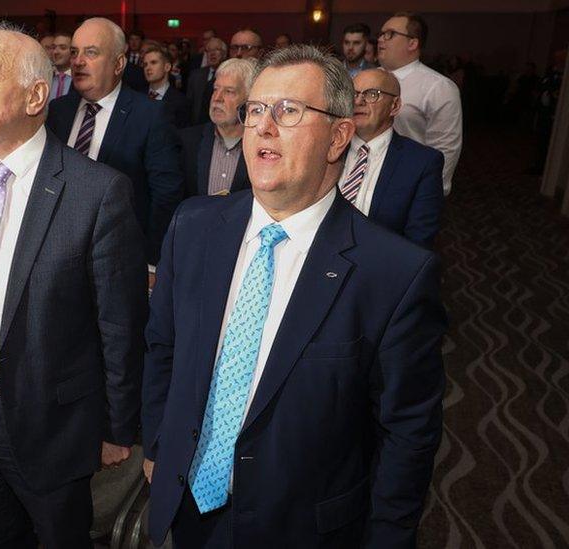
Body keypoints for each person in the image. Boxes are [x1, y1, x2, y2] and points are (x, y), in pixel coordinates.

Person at [142, 45, 446, 548]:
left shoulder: (394, 273)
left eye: (288, 111)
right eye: (256, 110)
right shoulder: (192, 225)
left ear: (339, 135)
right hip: (183, 508)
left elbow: (406, 437)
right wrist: (157, 444)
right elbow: (162, 346)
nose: (263, 126)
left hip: (301, 528)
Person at [0, 24, 147, 548]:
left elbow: (119, 324)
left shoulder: (97, 192)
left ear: (34, 95)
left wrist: (119, 428)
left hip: (49, 422)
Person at [47, 17, 183, 268]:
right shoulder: (57, 111)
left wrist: (153, 262)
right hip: (57, 253)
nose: (77, 61)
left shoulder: (150, 116)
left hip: (120, 259)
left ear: (119, 63)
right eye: (75, 52)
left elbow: (166, 194)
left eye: (91, 52)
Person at [343, 69, 443, 248]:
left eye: (372, 94)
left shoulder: (422, 163)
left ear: (395, 106)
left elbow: (418, 242)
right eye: (354, 94)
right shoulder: (328, 148)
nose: (358, 101)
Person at [378, 12, 462, 194]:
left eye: (390, 34)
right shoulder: (366, 80)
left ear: (412, 43)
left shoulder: (439, 88)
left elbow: (445, 150)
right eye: (381, 33)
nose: (380, 39)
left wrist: (428, 194)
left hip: (408, 185)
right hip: (361, 181)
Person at [179, 58, 254, 197]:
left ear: (249, 100)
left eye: (229, 91)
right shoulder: (188, 141)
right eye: (215, 89)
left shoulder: (261, 146)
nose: (217, 98)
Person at [144, 46, 190, 128]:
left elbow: (182, 135)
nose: (148, 68)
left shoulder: (180, 101)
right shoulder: (138, 96)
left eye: (153, 62)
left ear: (167, 67)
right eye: (145, 64)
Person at [185, 37, 227, 125]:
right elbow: (189, 104)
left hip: (221, 125)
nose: (212, 54)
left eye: (216, 50)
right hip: (196, 126)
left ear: (224, 54)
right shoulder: (196, 75)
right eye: (208, 50)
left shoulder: (229, 75)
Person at [49, 31, 73, 101]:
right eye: (53, 47)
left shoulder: (79, 78)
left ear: (73, 51)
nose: (56, 52)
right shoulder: (46, 77)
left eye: (62, 48)